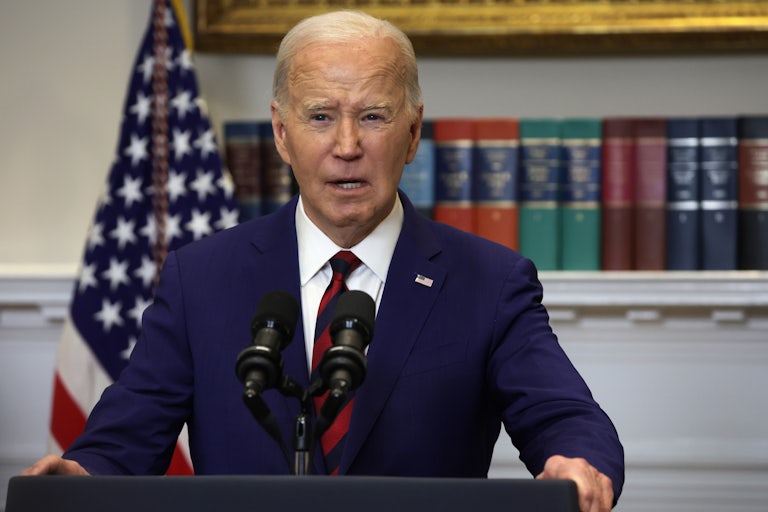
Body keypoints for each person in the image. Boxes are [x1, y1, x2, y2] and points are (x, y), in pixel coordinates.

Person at [23, 10, 624, 512]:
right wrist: (80, 475)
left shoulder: (488, 282)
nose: (346, 146)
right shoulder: (200, 278)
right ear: (282, 134)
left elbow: (567, 419)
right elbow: (124, 440)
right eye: (320, 116)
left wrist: (580, 465)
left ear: (413, 134)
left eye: (373, 116)